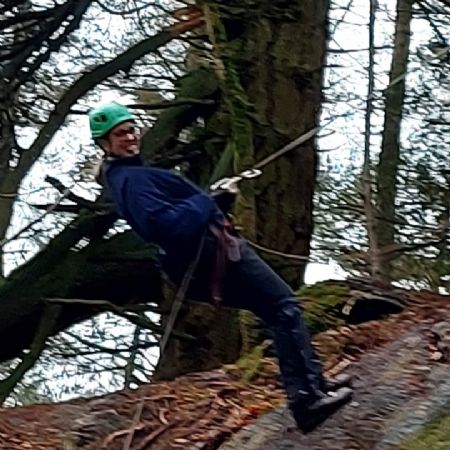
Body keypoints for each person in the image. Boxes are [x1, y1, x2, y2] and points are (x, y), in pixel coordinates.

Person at [88, 101, 353, 432]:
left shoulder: (129, 177)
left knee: (279, 312)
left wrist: (216, 200)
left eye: (131, 129)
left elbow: (178, 215)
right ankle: (307, 399)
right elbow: (165, 225)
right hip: (214, 257)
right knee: (284, 306)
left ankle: (312, 387)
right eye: (120, 134)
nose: (130, 137)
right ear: (105, 143)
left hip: (208, 256)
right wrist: (207, 200)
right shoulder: (131, 180)